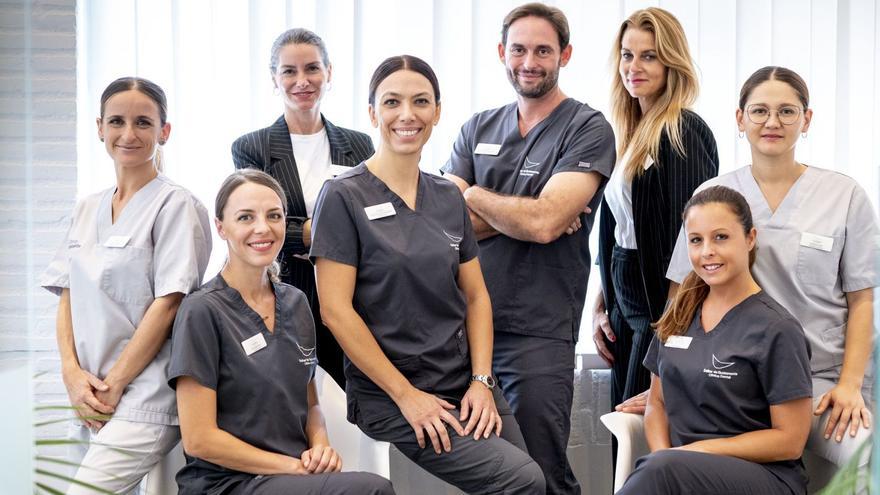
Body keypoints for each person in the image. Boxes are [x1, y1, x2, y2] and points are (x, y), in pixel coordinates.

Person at [311, 55, 545, 494]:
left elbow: (475, 296)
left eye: (420, 101)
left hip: (463, 383)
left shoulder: (447, 196)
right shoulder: (343, 196)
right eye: (392, 102)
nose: (407, 114)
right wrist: (406, 397)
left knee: (532, 482)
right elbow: (335, 312)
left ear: (437, 112)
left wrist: (481, 381)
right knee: (521, 481)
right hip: (393, 394)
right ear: (372, 113)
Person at [663, 66, 877, 479]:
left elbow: (862, 299)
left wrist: (850, 384)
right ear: (740, 119)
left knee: (864, 456)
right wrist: (667, 377)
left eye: (787, 111)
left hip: (819, 383)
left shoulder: (845, 196)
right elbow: (683, 293)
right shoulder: (712, 196)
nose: (772, 122)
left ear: (807, 119)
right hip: (730, 379)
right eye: (759, 111)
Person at [441, 4, 615, 493]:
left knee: (541, 468)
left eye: (543, 50)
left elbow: (544, 224)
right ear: (502, 52)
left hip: (538, 332)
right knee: (491, 472)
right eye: (518, 49)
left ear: (565, 54)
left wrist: (471, 194)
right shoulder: (478, 127)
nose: (529, 61)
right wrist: (528, 213)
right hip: (467, 330)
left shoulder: (587, 128)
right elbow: (439, 226)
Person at [168, 169, 394, 495]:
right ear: (221, 227)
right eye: (246, 217)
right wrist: (292, 466)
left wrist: (319, 448)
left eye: (274, 216)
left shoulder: (296, 303)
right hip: (227, 484)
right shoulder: (202, 311)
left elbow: (310, 403)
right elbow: (199, 438)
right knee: (371, 491)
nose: (262, 227)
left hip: (291, 478)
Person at [40, 76, 212, 493]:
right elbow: (68, 294)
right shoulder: (87, 207)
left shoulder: (177, 205)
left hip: (144, 397)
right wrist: (71, 374)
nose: (128, 134)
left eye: (143, 123)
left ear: (164, 132)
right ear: (99, 127)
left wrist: (115, 383)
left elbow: (169, 305)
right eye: (116, 121)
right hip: (86, 394)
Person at [619, 185, 813, 494]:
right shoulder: (678, 314)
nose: (707, 251)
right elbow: (656, 403)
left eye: (720, 237)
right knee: (659, 470)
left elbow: (789, 441)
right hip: (679, 474)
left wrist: (695, 453)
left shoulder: (778, 329)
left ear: (750, 239)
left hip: (763, 478)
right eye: (696, 240)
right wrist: (664, 457)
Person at [592, 7, 719, 416]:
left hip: (659, 312)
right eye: (628, 55)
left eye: (649, 56)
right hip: (626, 305)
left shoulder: (682, 130)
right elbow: (623, 229)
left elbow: (690, 243)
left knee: (640, 430)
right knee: (622, 428)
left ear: (671, 62)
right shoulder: (632, 132)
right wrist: (602, 301)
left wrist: (672, 330)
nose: (634, 66)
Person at [232, 28, 375, 387]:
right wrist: (326, 232)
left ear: (329, 72)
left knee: (348, 407)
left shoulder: (359, 145)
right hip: (283, 297)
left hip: (351, 299)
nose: (302, 81)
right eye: (289, 71)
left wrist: (307, 230)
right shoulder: (252, 148)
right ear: (274, 79)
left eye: (312, 68)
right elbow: (256, 225)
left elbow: (370, 222)